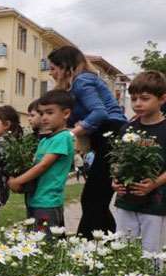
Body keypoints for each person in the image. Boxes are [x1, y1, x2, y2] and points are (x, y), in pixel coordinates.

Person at [49, 46, 126, 237]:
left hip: (112, 136)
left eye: (53, 68)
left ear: (66, 66)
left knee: (92, 198)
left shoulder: (82, 81)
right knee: (96, 199)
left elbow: (99, 112)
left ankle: (88, 244)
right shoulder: (79, 84)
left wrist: (72, 133)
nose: (51, 73)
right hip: (105, 139)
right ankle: (107, 240)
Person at [112, 71, 166, 254]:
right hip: (126, 201)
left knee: (151, 253)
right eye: (133, 99)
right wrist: (115, 180)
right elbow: (118, 160)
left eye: (144, 98)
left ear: (162, 99)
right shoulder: (127, 128)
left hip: (155, 204)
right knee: (122, 249)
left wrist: (154, 183)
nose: (137, 104)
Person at [9, 90, 75, 233]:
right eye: (42, 113)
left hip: (48, 202)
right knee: (34, 241)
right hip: (35, 199)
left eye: (50, 113)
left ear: (66, 114)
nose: (44, 117)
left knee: (46, 244)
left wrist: (18, 181)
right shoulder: (45, 139)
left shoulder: (63, 137)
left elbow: (43, 165)